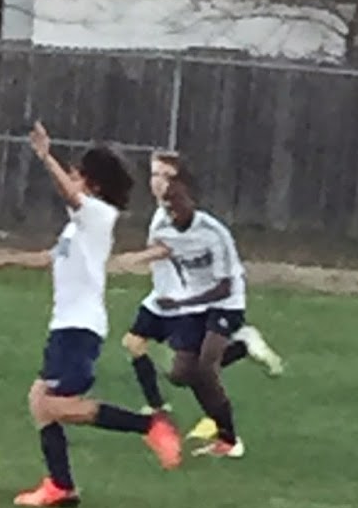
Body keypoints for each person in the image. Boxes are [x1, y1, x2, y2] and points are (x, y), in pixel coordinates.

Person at [0, 123, 182, 508]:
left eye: (78, 173)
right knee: (40, 400)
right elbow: (49, 258)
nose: (71, 177)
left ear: (93, 185)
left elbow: (69, 194)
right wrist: (0, 261)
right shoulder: (77, 228)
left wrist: (44, 156)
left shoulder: (98, 214)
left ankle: (149, 425)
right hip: (66, 327)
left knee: (53, 405)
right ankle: (60, 486)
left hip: (80, 328)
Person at [117, 149, 283, 420]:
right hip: (163, 295)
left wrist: (136, 258)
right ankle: (158, 406)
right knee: (138, 346)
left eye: (167, 176)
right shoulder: (162, 215)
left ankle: (237, 348)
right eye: (155, 174)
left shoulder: (183, 218)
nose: (158, 181)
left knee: (186, 370)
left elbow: (171, 249)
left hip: (179, 299)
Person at [145, 177, 248, 458]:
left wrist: (181, 301)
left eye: (178, 201)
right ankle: (241, 347)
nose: (173, 209)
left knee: (205, 369)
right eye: (167, 204)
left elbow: (225, 287)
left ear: (192, 200)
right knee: (181, 375)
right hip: (192, 304)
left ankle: (229, 440)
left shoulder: (214, 233)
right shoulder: (163, 230)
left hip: (226, 303)